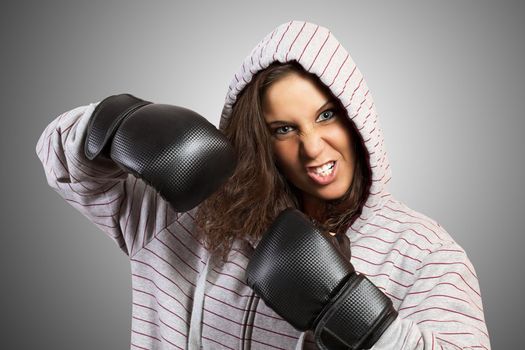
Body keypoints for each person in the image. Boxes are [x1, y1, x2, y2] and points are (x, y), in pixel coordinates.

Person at [36, 20, 491, 349]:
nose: (313, 148)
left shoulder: (423, 252)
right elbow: (62, 164)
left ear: (358, 119)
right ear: (259, 141)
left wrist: (362, 322)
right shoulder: (185, 216)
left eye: (326, 116)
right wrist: (120, 124)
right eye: (283, 129)